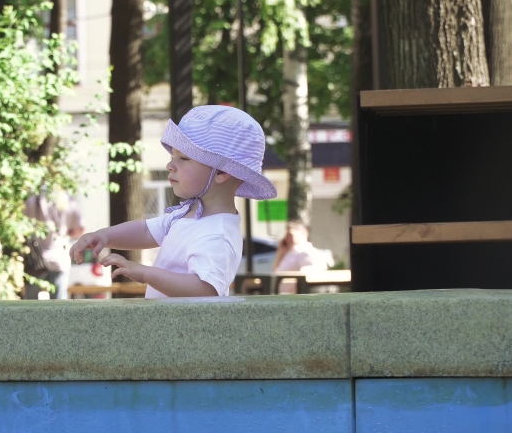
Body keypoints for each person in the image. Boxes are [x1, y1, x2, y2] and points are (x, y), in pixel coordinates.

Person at [69, 105, 277, 298]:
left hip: (189, 335)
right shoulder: (188, 214)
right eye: (173, 156)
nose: (170, 165)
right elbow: (145, 231)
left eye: (184, 158)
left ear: (222, 171)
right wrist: (104, 236)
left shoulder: (218, 233)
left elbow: (204, 289)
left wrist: (146, 274)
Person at [23, 187, 84, 300]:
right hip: (59, 258)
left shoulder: (31, 198)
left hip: (35, 260)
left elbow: (22, 225)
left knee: (30, 307)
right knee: (59, 307)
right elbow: (78, 230)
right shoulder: (67, 199)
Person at [272, 221, 330, 294]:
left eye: (290, 235)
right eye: (286, 236)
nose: (287, 239)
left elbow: (312, 273)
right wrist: (280, 253)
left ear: (302, 233)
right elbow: (275, 272)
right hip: (280, 296)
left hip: (292, 298)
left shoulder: (306, 251)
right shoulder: (291, 252)